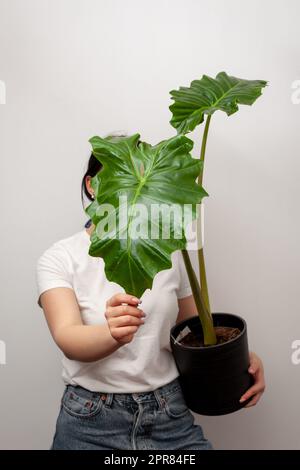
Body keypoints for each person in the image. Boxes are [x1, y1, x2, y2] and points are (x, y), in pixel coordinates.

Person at [36, 140, 265, 451]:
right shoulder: (60, 256)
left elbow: (190, 331)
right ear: (91, 185)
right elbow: (68, 337)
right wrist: (111, 334)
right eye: (118, 175)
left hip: (168, 412)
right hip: (90, 419)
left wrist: (237, 362)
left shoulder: (167, 251)